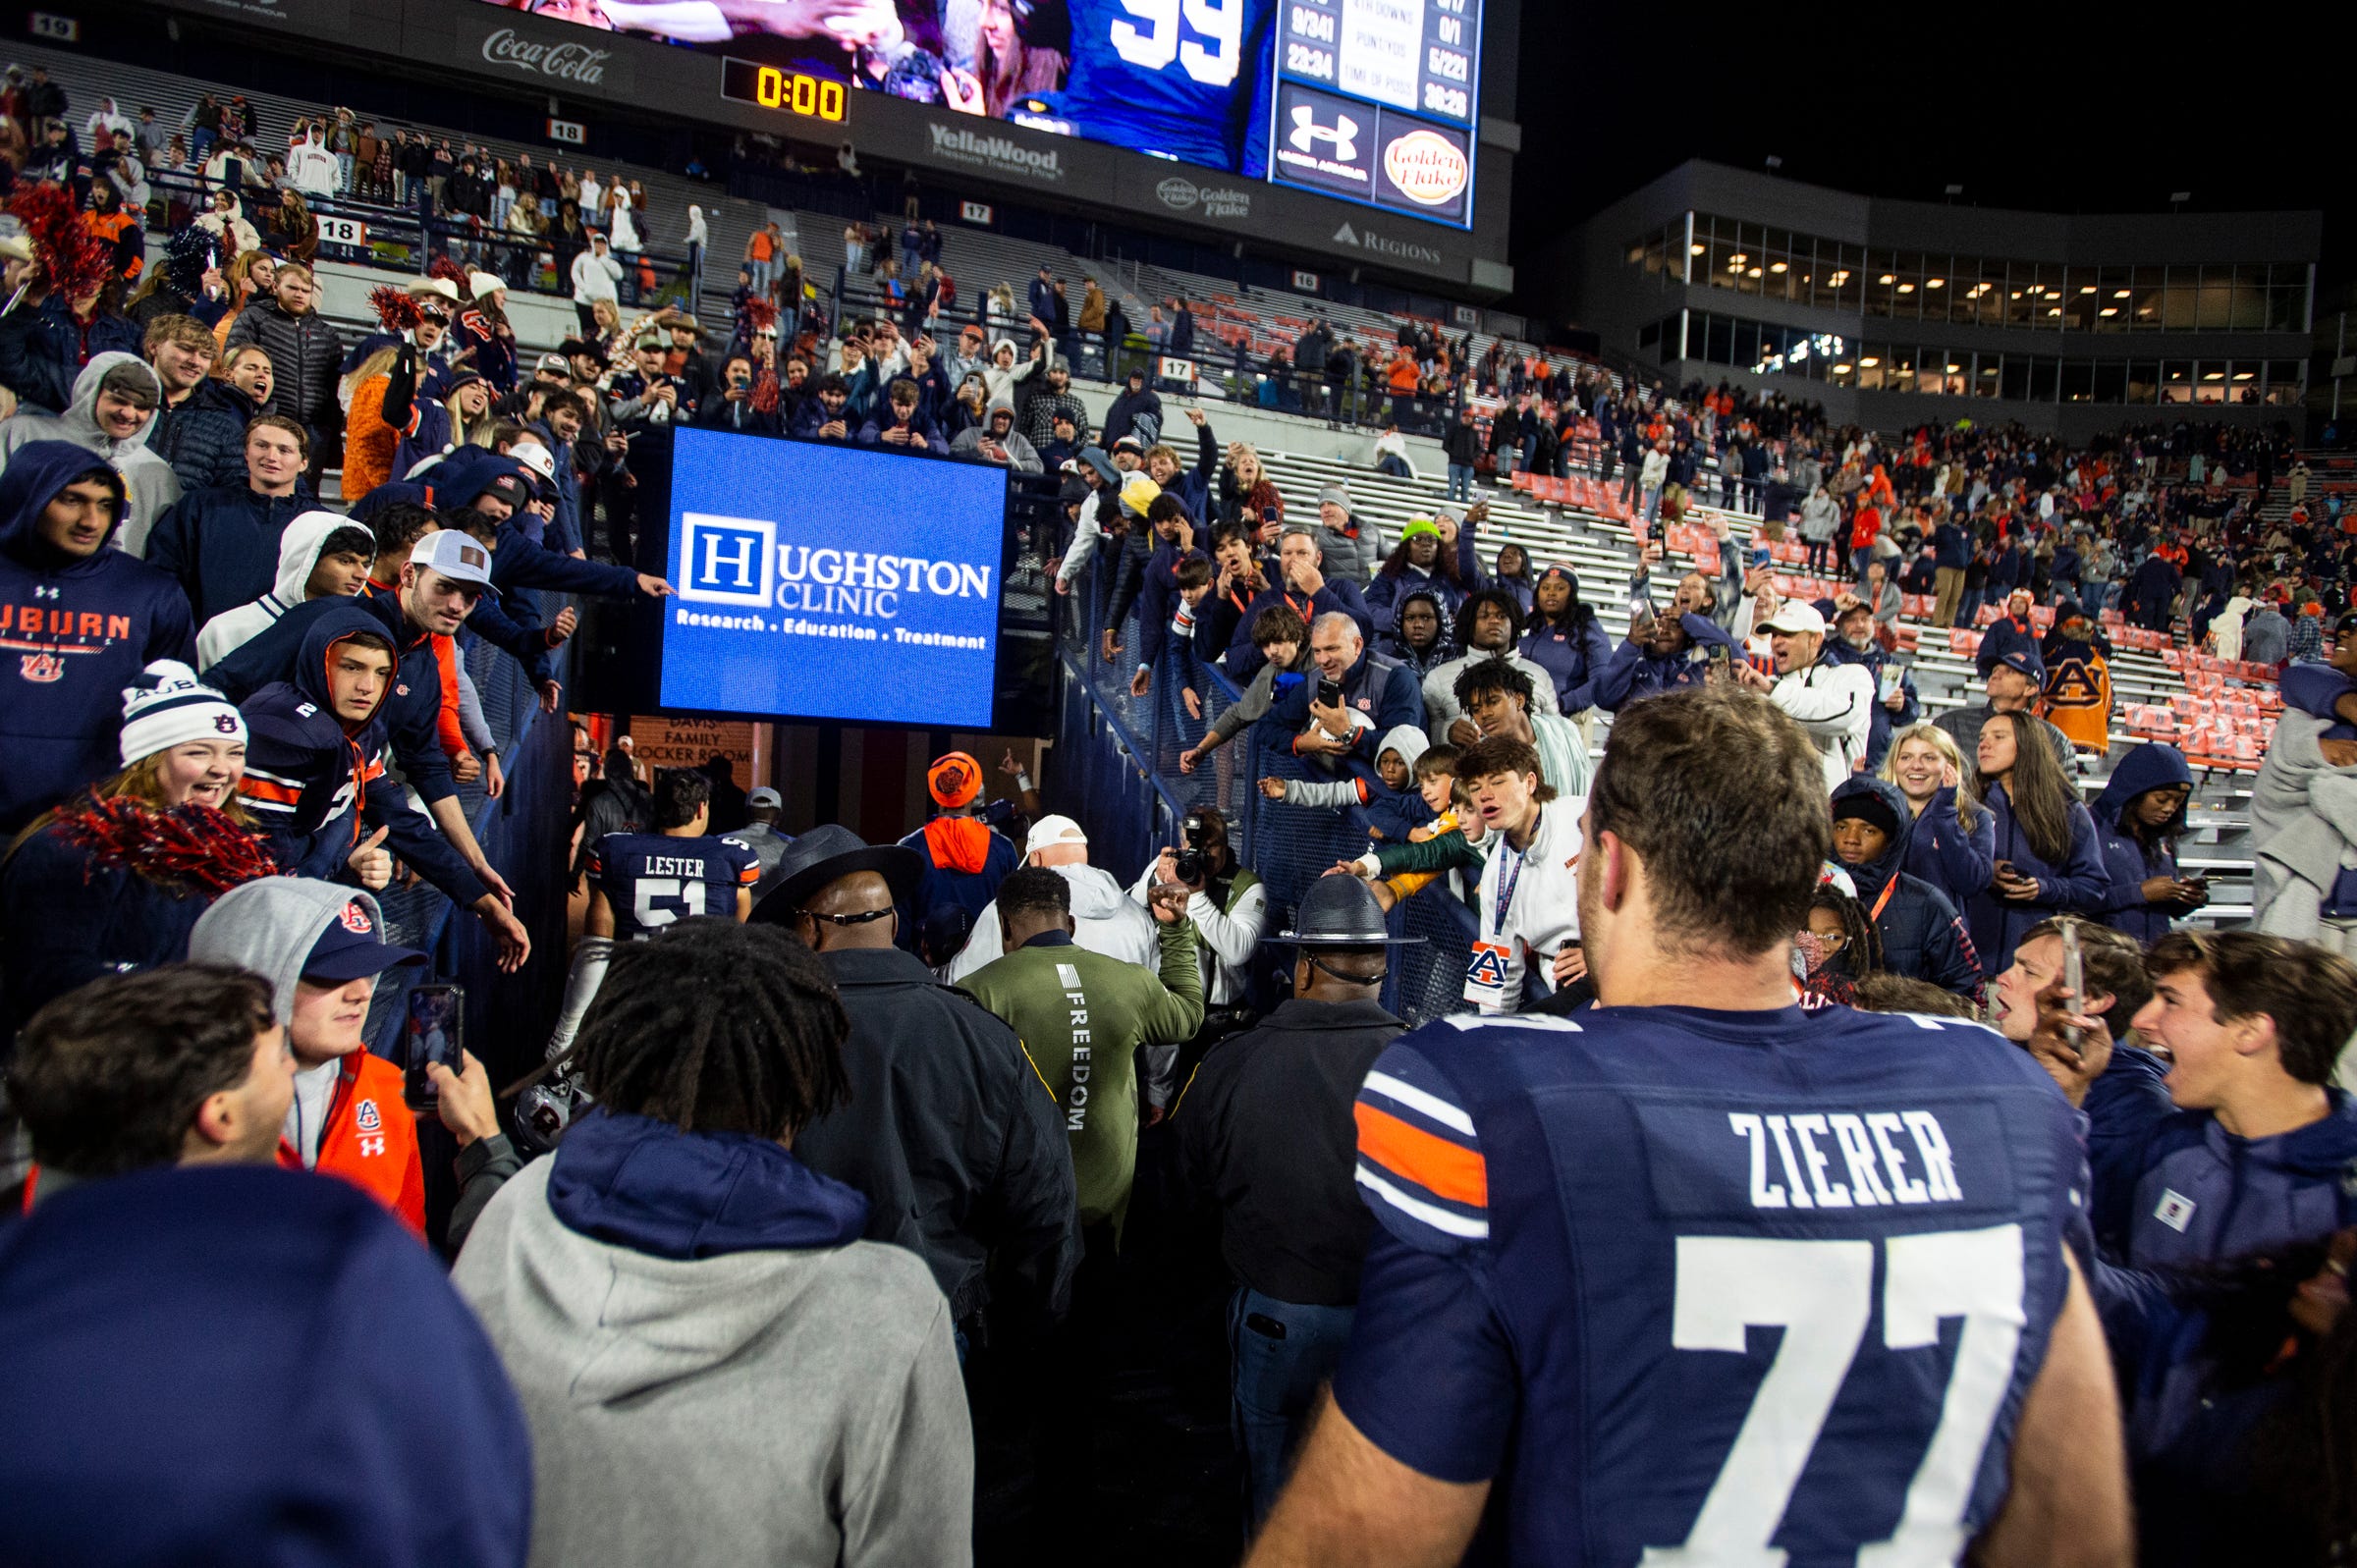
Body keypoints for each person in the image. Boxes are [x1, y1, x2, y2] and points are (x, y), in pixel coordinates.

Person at [1247, 685, 2130, 1565]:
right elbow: (2068, 1527)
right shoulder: (2004, 1098)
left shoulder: (1483, 1097)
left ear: (1613, 866)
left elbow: (1360, 1542)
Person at [452, 921, 973, 1568]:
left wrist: (484, 1151)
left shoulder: (512, 1214)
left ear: (615, 1057)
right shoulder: (888, 1309)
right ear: (805, 1084)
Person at [0, 966, 533, 1568]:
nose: (290, 1067)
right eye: (275, 1057)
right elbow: (461, 1504)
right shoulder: (344, 1280)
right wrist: (485, 1146)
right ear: (220, 1117)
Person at [754, 826, 1078, 1335]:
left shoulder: (753, 1038)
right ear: (895, 922)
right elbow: (1045, 1202)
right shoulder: (984, 1038)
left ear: (810, 932)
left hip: (789, 1326)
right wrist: (1025, 1331)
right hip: (938, 1324)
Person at [1172, 875, 1416, 1524]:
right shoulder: (1424, 1067)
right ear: (1382, 967)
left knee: (1274, 1504)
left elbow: (1185, 1186)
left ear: (1303, 965)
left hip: (1276, 1315)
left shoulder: (1234, 1061)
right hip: (1388, 1324)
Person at [0, 661, 278, 1032]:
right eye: (198, 753)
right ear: (147, 762)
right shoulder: (72, 848)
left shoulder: (236, 852)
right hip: (90, 1065)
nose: (222, 769)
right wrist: (191, 1005)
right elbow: (46, 978)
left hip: (193, 1060)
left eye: (234, 753)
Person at [2063, 932, 2357, 1274]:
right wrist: (2067, 1097)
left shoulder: (2342, 1190)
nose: (2142, 1021)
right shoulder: (2171, 1140)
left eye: (2171, 1001)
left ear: (2250, 1031)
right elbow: (2124, 1278)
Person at [962, 864, 1202, 1239]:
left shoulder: (979, 993)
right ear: (1070, 925)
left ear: (1004, 927)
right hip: (1106, 1212)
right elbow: (1188, 1015)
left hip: (1020, 1214)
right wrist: (1174, 931)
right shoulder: (1131, 982)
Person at [185, 877, 431, 1234]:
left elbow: (408, 1254)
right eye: (331, 976)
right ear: (253, 979)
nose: (362, 993)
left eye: (366, 972)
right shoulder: (179, 1112)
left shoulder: (387, 1088)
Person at [0, 446, 196, 835]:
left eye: (106, 505)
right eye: (72, 501)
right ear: (29, 495)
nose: (91, 520)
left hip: (95, 818)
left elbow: (171, 708)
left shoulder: (150, 591)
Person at [1966, 708, 2110, 979]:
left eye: (1999, 737)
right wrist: (1983, 870)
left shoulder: (2069, 809)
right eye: (1982, 737)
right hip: (1967, 969)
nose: (1984, 744)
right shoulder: (1965, 805)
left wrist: (2043, 889)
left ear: (2027, 745)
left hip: (2034, 973)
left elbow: (2094, 887)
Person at [141, 415, 315, 628]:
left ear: (303, 462)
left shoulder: (320, 523)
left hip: (284, 651)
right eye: (261, 445)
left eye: (284, 450)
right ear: (245, 453)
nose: (271, 456)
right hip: (200, 643)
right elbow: (164, 571)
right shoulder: (200, 507)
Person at [0, 351, 183, 555]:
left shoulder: (157, 472)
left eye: (142, 407)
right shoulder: (23, 434)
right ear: (91, 393)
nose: (129, 414)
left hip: (107, 583)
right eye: (119, 401)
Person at [1827, 776, 1985, 1000]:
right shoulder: (1804, 893)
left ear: (1892, 839)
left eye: (1868, 830)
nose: (1850, 838)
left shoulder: (1927, 904)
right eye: (1841, 827)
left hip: (1897, 1032)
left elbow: (1967, 988)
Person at [946, 815, 1157, 981]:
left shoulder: (1013, 907)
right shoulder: (1137, 914)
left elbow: (964, 979)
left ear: (1035, 858)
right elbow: (1156, 985)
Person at [196, 510, 374, 668]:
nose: (362, 575)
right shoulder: (225, 630)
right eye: (346, 561)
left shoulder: (361, 633)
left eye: (365, 565)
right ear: (305, 559)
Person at [1732, 602, 1874, 789]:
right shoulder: (1767, 685)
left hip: (1834, 807)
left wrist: (1773, 691)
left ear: (1815, 639)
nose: (1777, 641)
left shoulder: (1852, 675)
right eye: (1774, 635)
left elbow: (1845, 714)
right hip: (1780, 807)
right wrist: (1726, 693)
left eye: (1788, 634)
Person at [2091, 742, 2208, 945]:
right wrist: (2139, 893)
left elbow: (2162, 905)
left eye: (2178, 801)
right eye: (2162, 799)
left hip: (2153, 957)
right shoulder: (2090, 828)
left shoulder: (2163, 837)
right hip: (2103, 957)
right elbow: (2072, 898)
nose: (2169, 808)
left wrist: (2185, 897)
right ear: (2134, 792)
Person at [1882, 721, 1996, 916]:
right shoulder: (1879, 812)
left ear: (1949, 766)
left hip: (1939, 936)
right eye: (1906, 757)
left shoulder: (1975, 817)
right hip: (1881, 931)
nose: (1916, 766)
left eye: (1929, 758)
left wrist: (1945, 816)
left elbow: (1971, 882)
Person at [899, 749, 1018, 929]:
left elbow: (901, 927)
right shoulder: (1003, 849)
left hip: (921, 957)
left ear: (935, 791)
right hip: (988, 957)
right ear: (974, 793)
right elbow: (1013, 920)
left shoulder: (908, 849)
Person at [1935, 648, 2079, 777]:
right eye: (1994, 670)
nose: (1995, 675)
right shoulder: (1949, 724)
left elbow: (2067, 801)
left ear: (2030, 689)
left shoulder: (2054, 739)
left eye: (2009, 672)